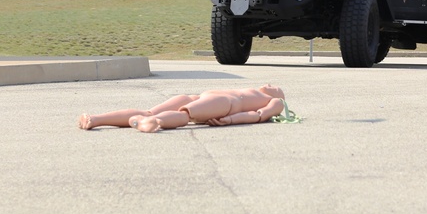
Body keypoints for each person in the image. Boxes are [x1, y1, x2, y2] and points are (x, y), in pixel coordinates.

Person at [78, 85, 287, 132]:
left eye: (276, 87)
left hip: (225, 105)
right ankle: (96, 119)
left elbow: (258, 115)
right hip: (201, 96)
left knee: (185, 115)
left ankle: (155, 123)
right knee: (150, 109)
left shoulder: (275, 102)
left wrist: (231, 120)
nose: (271, 85)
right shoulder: (254, 89)